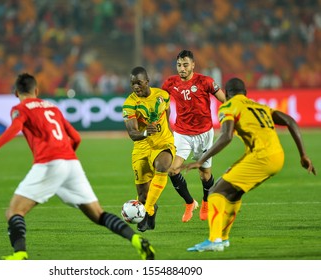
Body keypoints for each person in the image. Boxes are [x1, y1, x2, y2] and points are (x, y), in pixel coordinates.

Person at [0, 73, 155, 260]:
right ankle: (136, 240)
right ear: (36, 91)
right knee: (98, 215)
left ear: (16, 93)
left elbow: (15, 128)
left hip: (49, 163)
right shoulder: (52, 108)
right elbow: (76, 137)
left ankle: (20, 254)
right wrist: (68, 158)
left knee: (14, 211)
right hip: (71, 163)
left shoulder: (20, 108)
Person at [181, 77, 316, 252]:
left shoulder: (229, 106)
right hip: (277, 157)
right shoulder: (260, 106)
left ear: (227, 94)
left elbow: (226, 136)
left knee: (215, 192)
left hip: (262, 158)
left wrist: (201, 160)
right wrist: (303, 155)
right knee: (232, 194)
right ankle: (223, 238)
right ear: (245, 93)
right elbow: (290, 121)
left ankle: (215, 240)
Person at [162, 50, 226, 222]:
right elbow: (161, 102)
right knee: (173, 170)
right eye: (178, 65)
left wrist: (233, 114)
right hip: (182, 133)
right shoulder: (170, 83)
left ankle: (206, 202)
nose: (181, 68)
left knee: (205, 175)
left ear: (192, 65)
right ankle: (190, 203)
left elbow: (226, 100)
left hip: (204, 134)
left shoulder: (205, 81)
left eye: (185, 65)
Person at [122, 66, 175, 232]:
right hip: (141, 146)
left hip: (163, 142)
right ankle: (150, 214)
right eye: (133, 84)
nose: (136, 87)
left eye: (139, 83)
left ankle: (147, 211)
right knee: (143, 194)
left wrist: (170, 135)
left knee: (162, 165)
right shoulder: (130, 103)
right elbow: (132, 133)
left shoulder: (163, 95)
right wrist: (145, 132)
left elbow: (167, 114)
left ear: (147, 81)